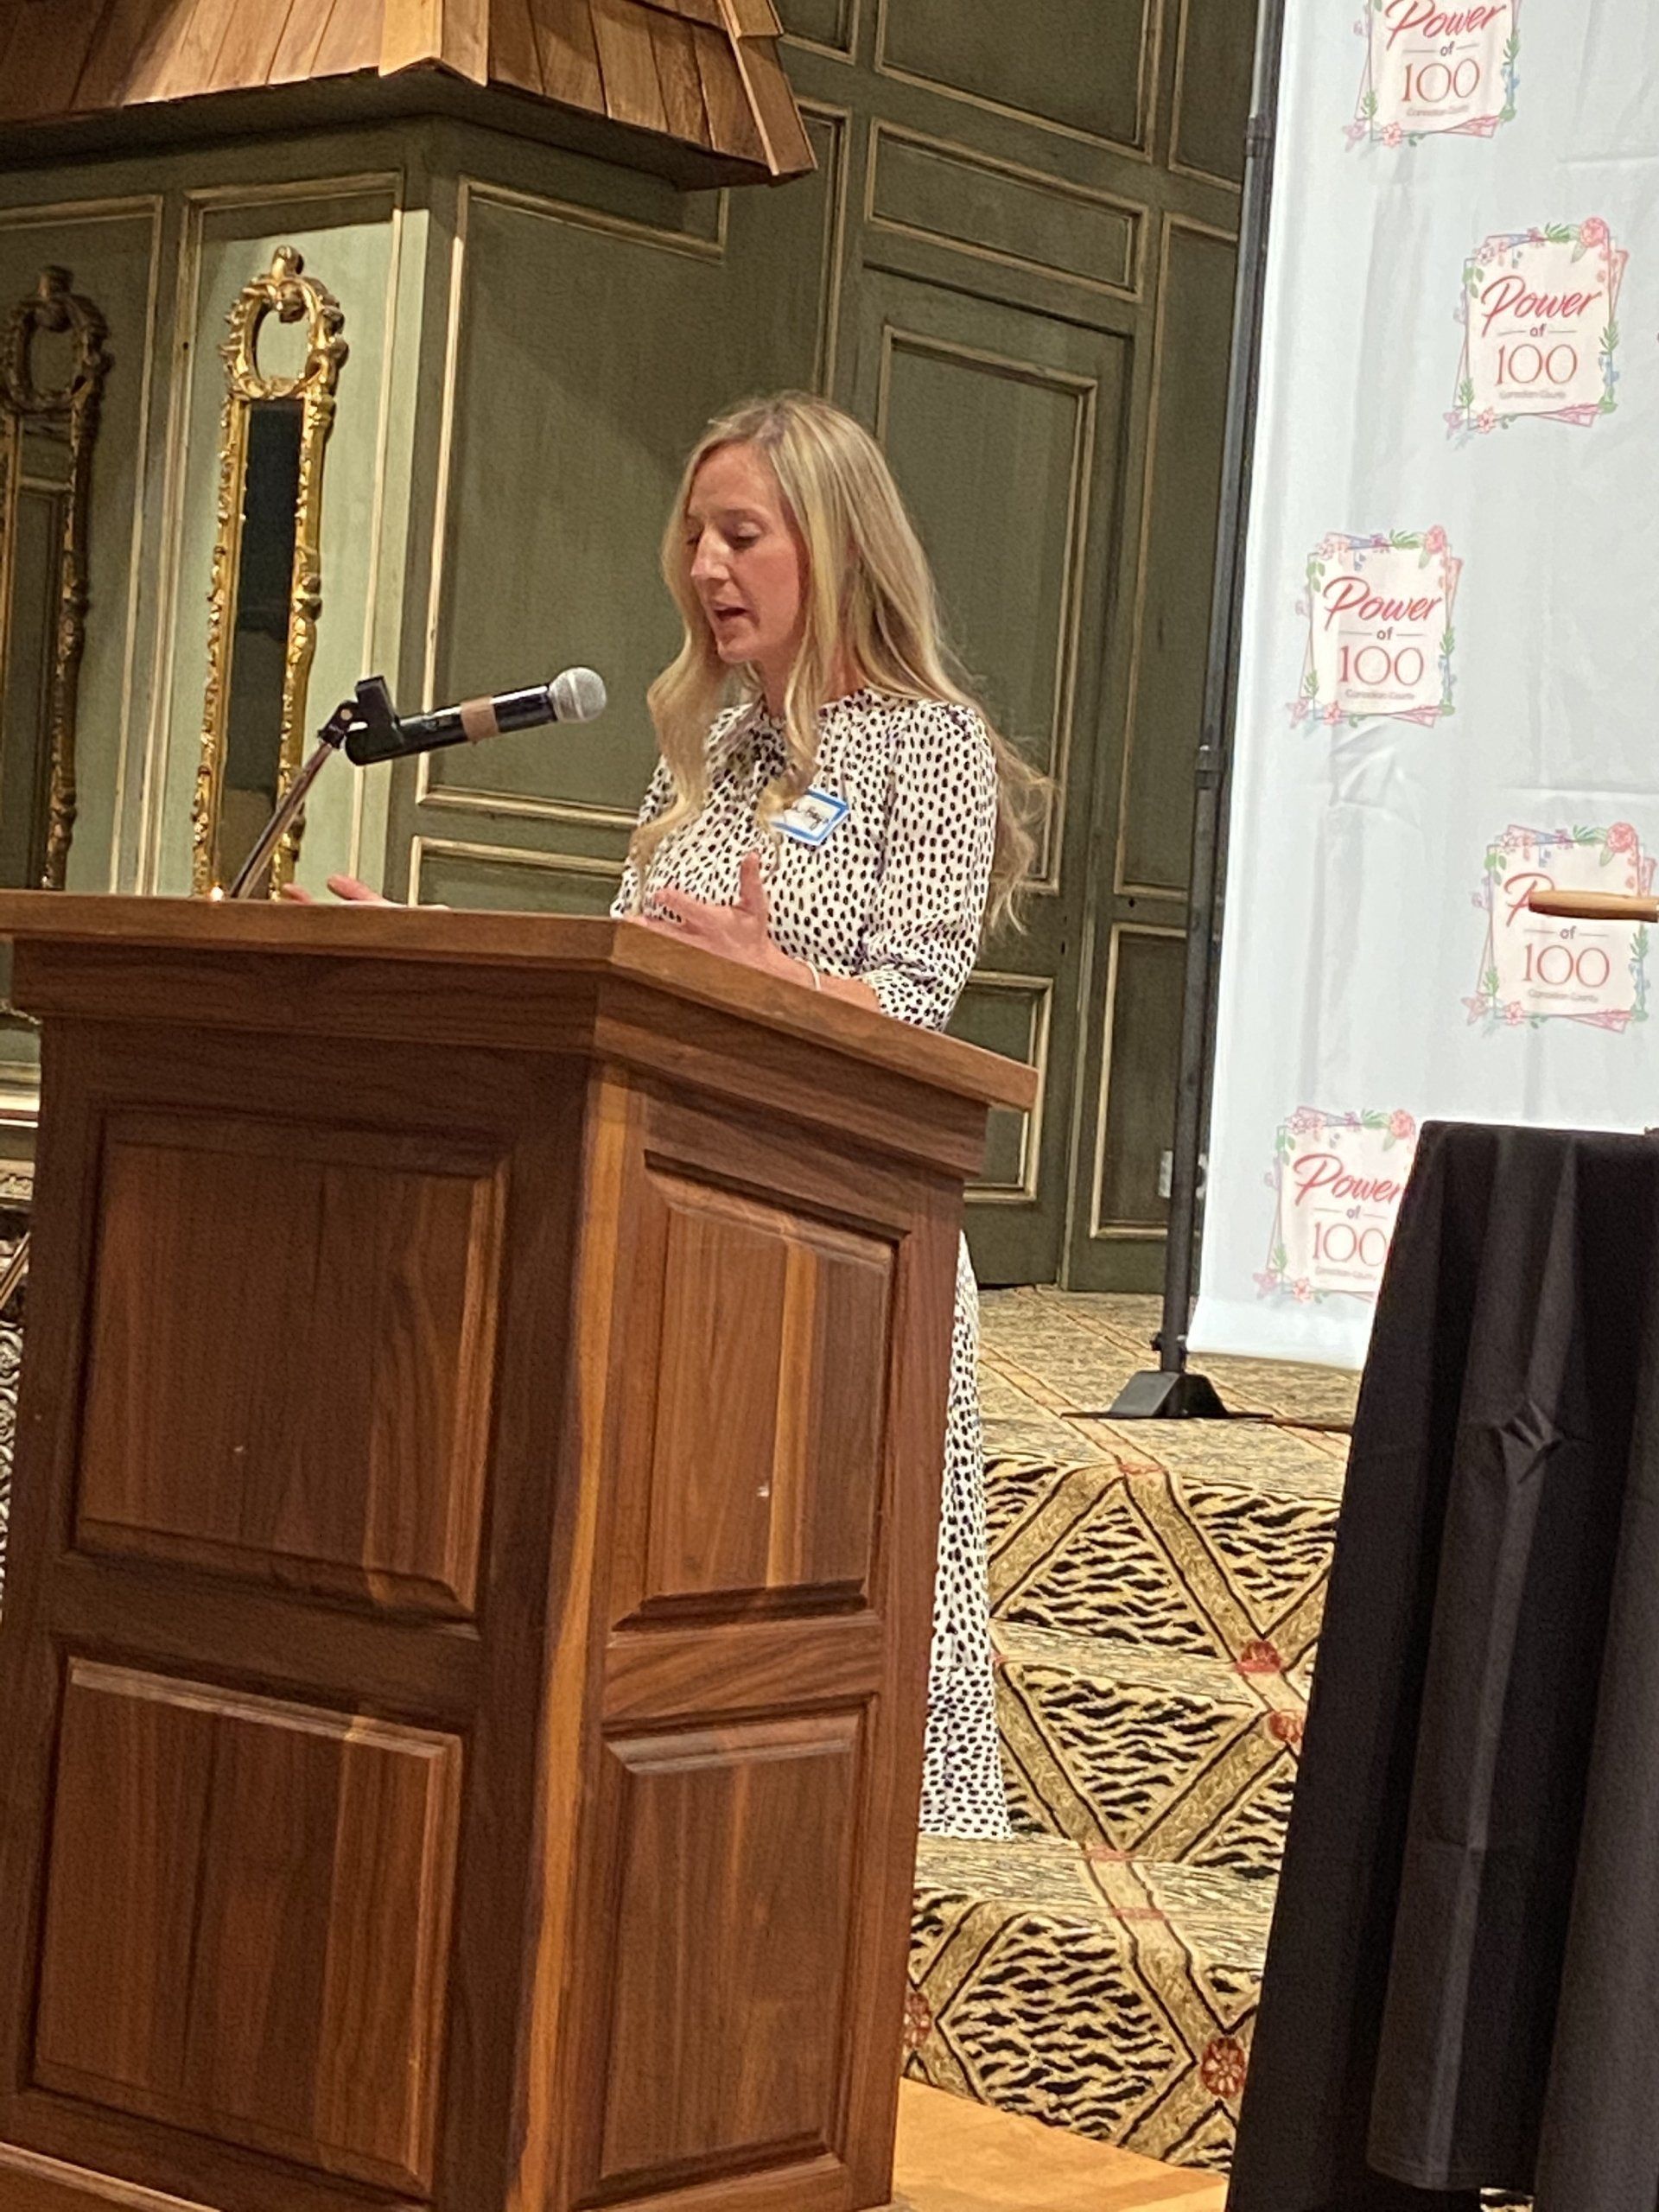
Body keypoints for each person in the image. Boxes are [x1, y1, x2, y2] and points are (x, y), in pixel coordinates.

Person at [287, 391, 1039, 1839]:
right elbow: (629, 976)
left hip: (842, 1243)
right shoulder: (705, 748)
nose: (705, 565)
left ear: (833, 546)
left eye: (742, 534)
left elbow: (921, 1008)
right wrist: (443, 960)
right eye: (695, 534)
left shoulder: (929, 744)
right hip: (674, 1226)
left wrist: (785, 981)